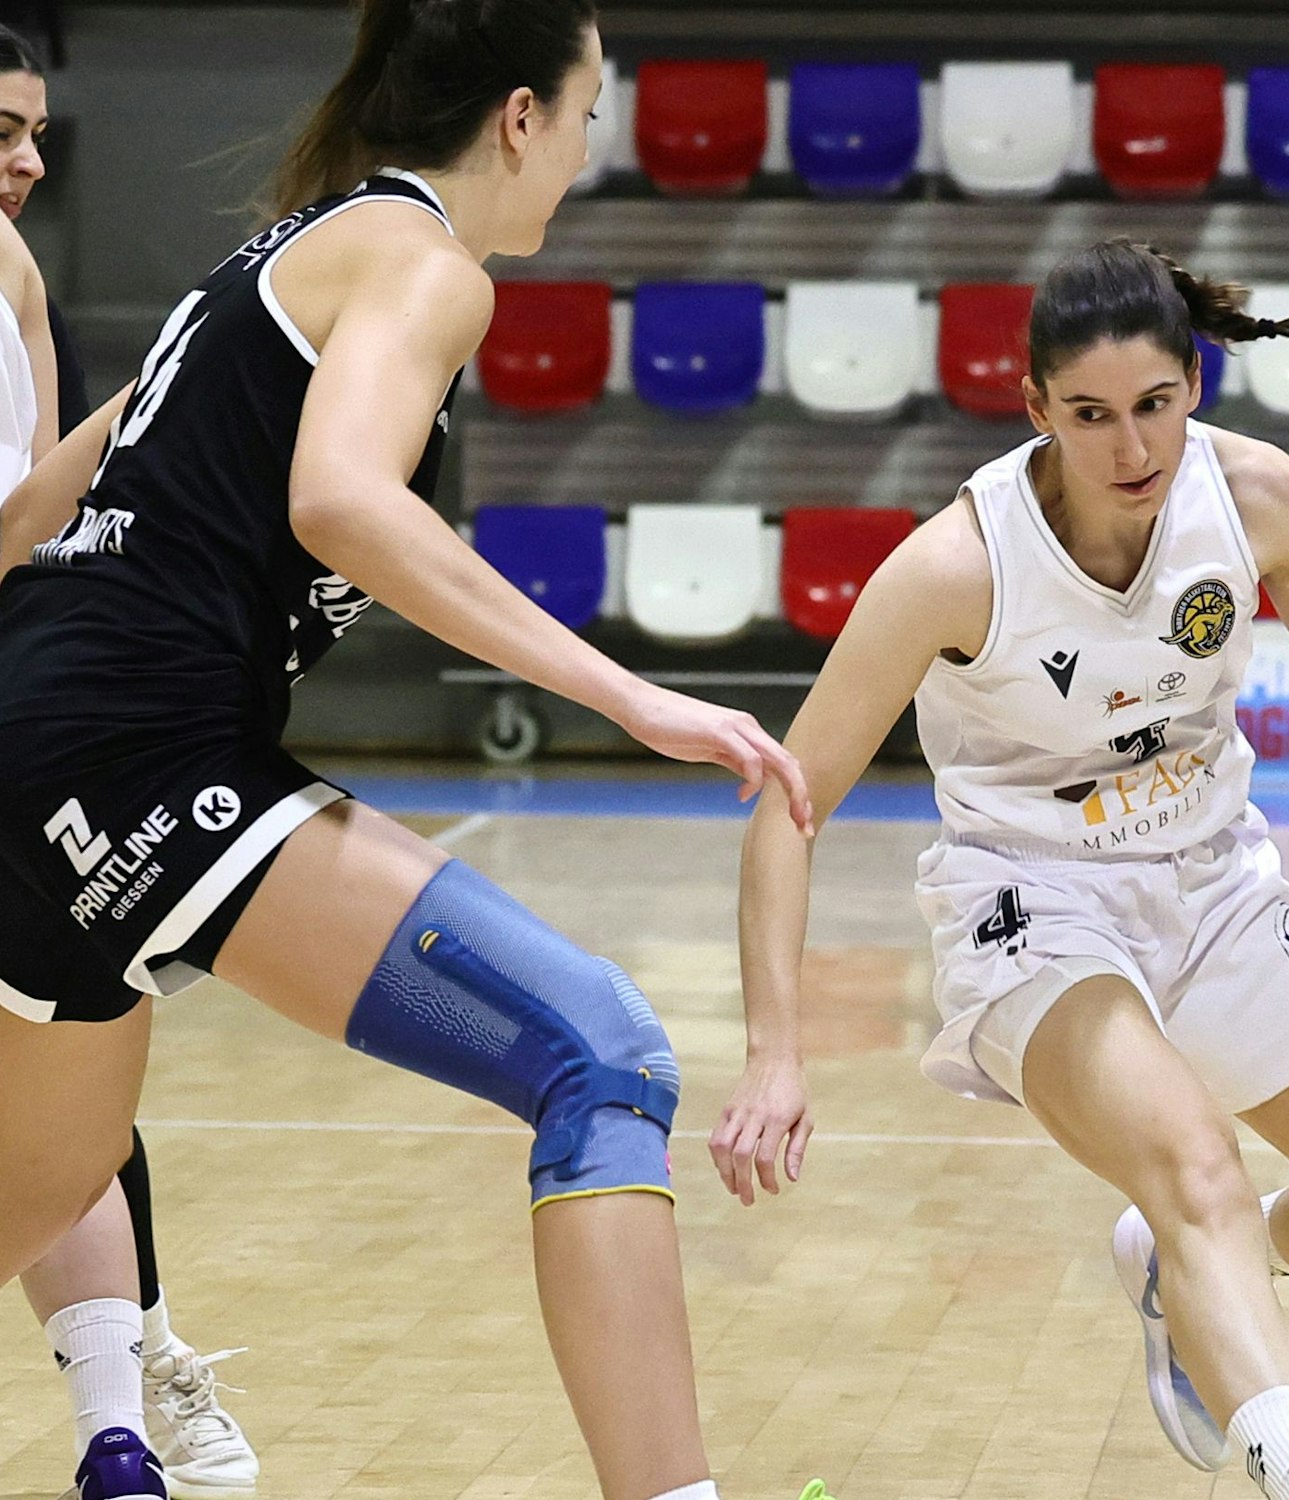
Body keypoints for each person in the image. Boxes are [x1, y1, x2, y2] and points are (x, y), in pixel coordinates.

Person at [0, 5, 827, 1500]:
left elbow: (25, 524)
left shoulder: (268, 265)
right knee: (600, 1053)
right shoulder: (421, 263)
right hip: (137, 746)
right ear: (520, 116)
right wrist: (631, 697)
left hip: (38, 734)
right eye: (586, 115)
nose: (585, 151)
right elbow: (342, 506)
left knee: (41, 1186)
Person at [712, 236, 1289, 1500]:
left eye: (1154, 405)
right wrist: (775, 1046)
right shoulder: (956, 564)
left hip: (1215, 888)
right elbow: (789, 802)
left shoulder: (1255, 498)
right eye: (1090, 415)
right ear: (1033, 406)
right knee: (1192, 1162)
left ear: (1194, 384)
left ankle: (1186, 1267)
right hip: (1032, 910)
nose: (1131, 448)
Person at [0, 27, 260, 1495]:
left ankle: (121, 1416)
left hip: (20, 717)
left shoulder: (16, 277)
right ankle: (128, 1398)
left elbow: (36, 516)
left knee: (59, 1069)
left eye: (34, 129)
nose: (29, 160)